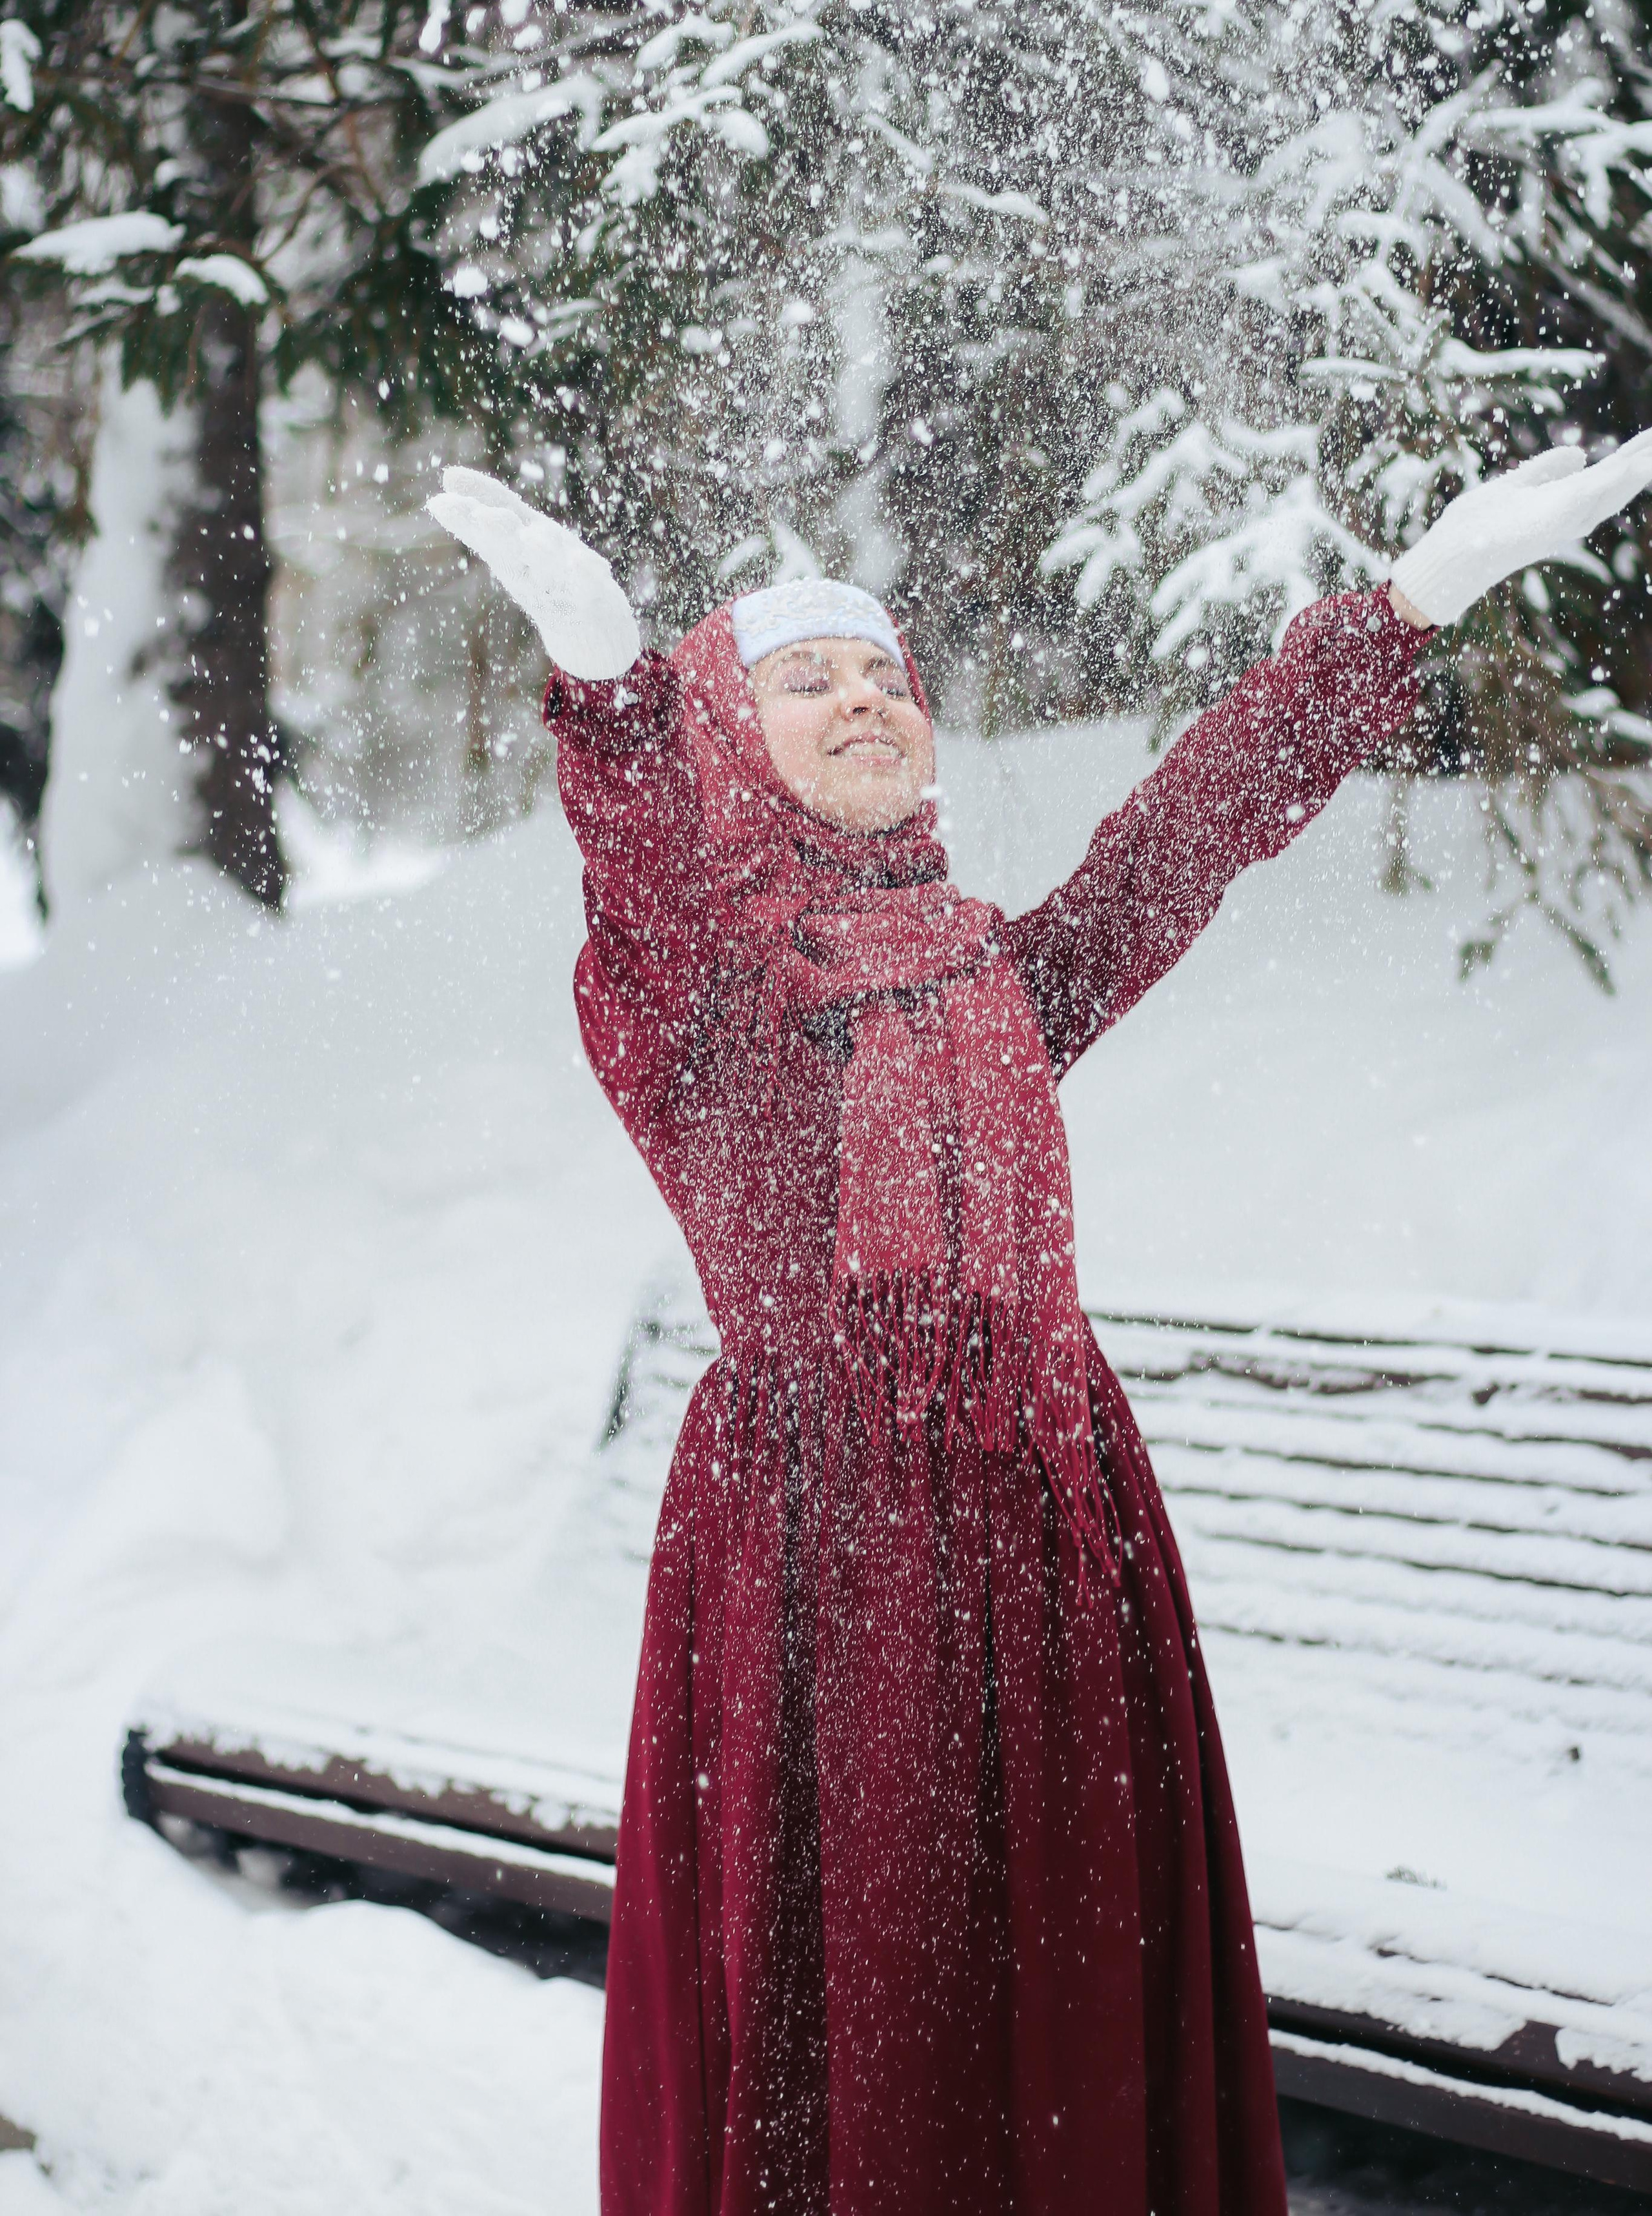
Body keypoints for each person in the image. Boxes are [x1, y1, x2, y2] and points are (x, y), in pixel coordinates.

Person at [430, 435, 1652, 2216]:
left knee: (1068, 2005)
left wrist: (1412, 605)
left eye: (882, 674)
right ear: (724, 743)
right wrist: (611, 691)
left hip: (1060, 1542)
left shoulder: (988, 961)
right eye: (803, 679)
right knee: (882, 2025)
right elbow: (641, 872)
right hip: (831, 1579)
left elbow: (1181, 845)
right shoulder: (695, 996)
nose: (863, 700)